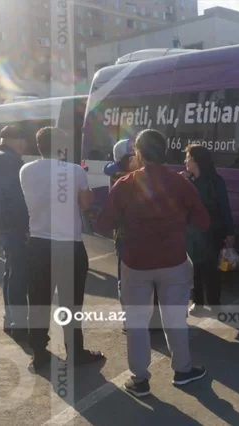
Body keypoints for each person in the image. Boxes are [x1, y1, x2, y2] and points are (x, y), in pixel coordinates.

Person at [97, 129, 210, 398]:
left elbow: (102, 225)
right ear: (165, 151)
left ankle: (140, 380)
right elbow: (202, 221)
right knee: (175, 320)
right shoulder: (182, 183)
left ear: (138, 153)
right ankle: (182, 371)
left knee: (137, 322)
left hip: (135, 264)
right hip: (174, 262)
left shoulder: (124, 184)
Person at [20, 126, 105, 371]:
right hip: (69, 246)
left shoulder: (26, 170)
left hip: (38, 245)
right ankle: (75, 352)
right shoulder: (75, 171)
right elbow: (85, 204)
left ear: (39, 146)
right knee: (71, 303)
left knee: (38, 301)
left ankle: (38, 353)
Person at [0, 126, 30, 341]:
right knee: (19, 274)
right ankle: (18, 325)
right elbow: (17, 199)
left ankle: (10, 319)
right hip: (13, 225)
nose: (26, 145)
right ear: (17, 140)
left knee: (11, 271)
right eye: (24, 141)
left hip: (0, 223)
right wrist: (26, 227)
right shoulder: (11, 161)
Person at [181, 144, 235, 315]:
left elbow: (225, 207)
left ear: (196, 160)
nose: (185, 161)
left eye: (188, 158)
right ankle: (197, 303)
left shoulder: (215, 181)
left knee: (211, 269)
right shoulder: (188, 181)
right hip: (192, 233)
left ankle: (214, 303)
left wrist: (230, 232)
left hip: (212, 232)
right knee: (194, 268)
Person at [102, 138, 141, 333]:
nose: (135, 159)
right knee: (126, 279)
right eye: (131, 156)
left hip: (135, 235)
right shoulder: (121, 173)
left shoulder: (120, 170)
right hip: (125, 235)